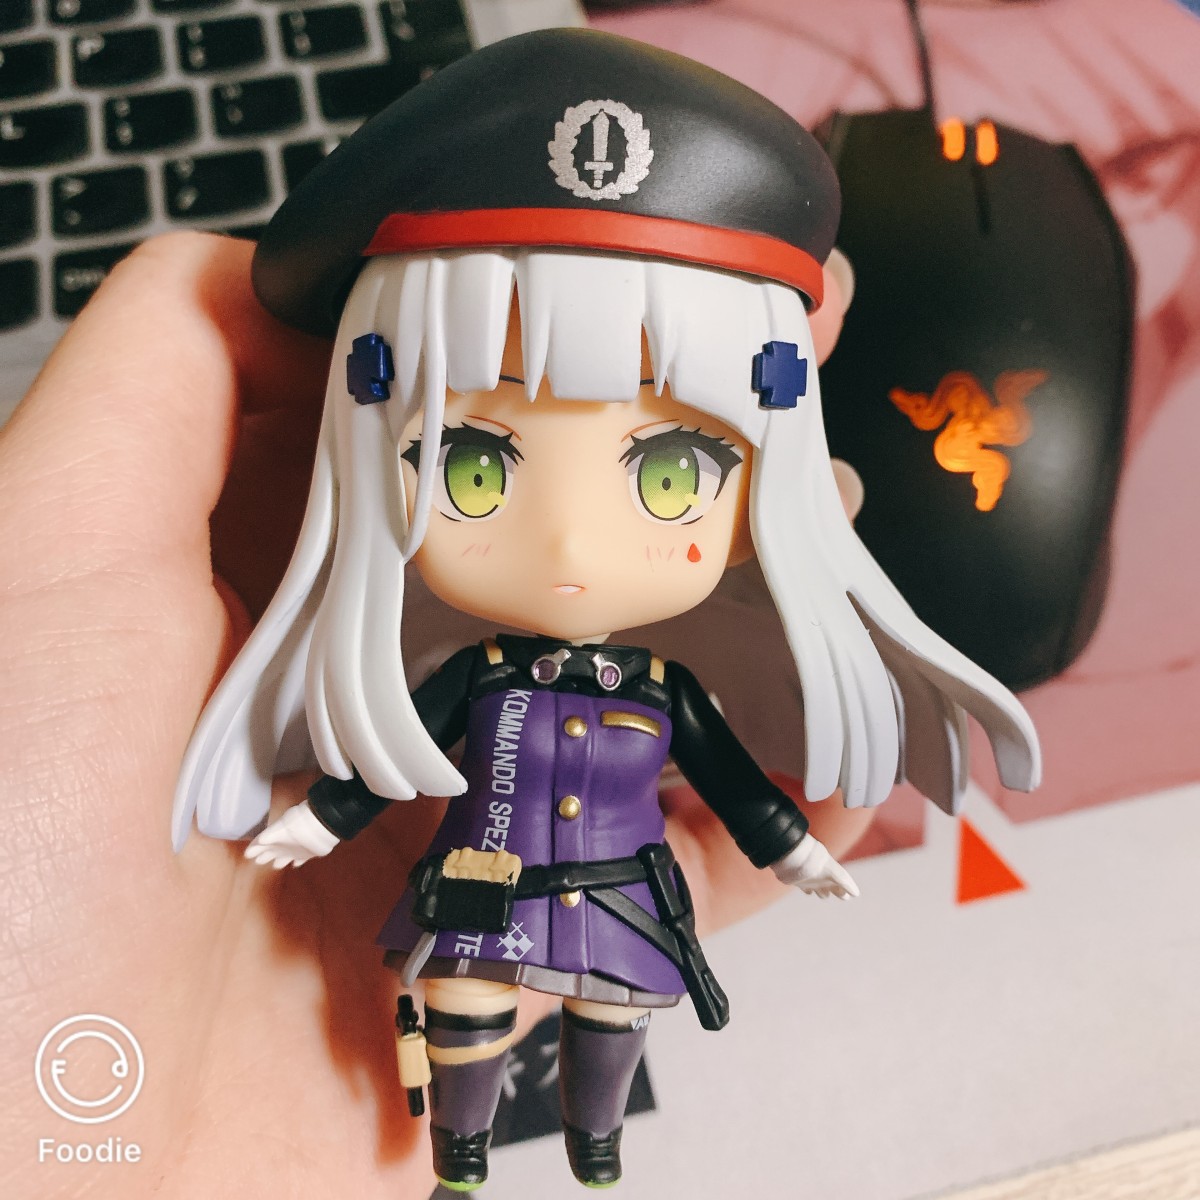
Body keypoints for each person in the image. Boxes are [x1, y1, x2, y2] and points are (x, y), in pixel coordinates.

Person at [170, 29, 1040, 1193]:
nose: (571, 546)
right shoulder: (477, 675)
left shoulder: (666, 688)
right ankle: (460, 1145)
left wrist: (792, 852)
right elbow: (390, 760)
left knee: (618, 1005)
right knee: (463, 1000)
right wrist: (316, 824)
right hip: (481, 881)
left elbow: (732, 780)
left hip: (622, 886)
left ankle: (594, 1141)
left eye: (672, 474)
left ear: (760, 505)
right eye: (475, 466)